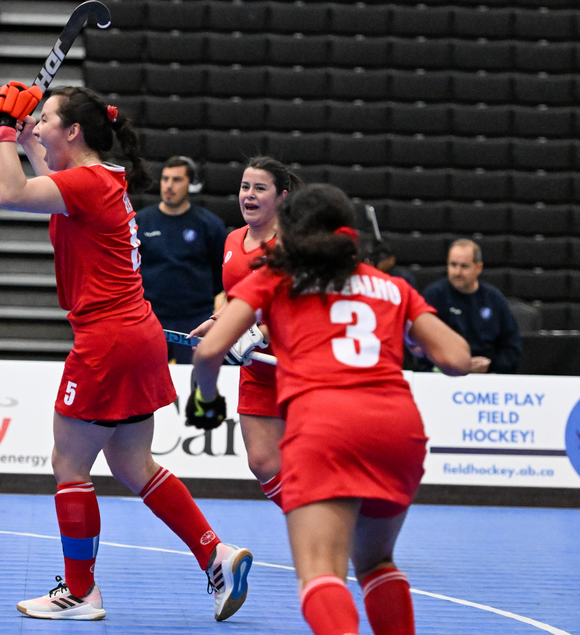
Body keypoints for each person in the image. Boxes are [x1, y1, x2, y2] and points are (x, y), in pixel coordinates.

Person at [0, 81, 252, 621]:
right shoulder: (98, 179)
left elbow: (10, 193)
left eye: (46, 119)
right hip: (136, 334)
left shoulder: (85, 183)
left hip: (106, 340)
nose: (39, 125)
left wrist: (4, 132)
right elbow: (47, 176)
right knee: (132, 463)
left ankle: (81, 592)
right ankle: (215, 554)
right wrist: (27, 136)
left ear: (73, 131)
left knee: (68, 463)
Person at [188, 183, 471, 635]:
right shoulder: (391, 287)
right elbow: (457, 359)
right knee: (376, 563)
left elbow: (208, 351)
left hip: (325, 427)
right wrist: (412, 336)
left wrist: (205, 398)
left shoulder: (275, 278)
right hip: (397, 431)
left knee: (320, 573)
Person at [190, 156, 302, 508]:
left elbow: (302, 303)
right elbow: (237, 298)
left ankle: (329, 528)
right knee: (263, 463)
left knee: (310, 462)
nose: (249, 195)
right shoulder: (231, 240)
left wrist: (261, 332)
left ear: (281, 197)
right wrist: (219, 322)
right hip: (257, 370)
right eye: (244, 187)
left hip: (297, 367)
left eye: (259, 188)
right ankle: (312, 523)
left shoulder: (294, 245)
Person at [134, 155, 226, 363]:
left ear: (190, 184)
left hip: (195, 318)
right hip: (150, 316)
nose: (169, 186)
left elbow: (221, 271)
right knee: (146, 376)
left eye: (177, 180)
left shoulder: (209, 224)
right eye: (165, 179)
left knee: (196, 376)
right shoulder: (141, 222)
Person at [420, 238, 521, 374]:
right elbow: (421, 344)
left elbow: (511, 346)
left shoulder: (494, 299)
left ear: (478, 268)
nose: (457, 272)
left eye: (464, 266)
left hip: (488, 377)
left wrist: (491, 367)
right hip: (444, 375)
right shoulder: (434, 296)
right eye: (453, 265)